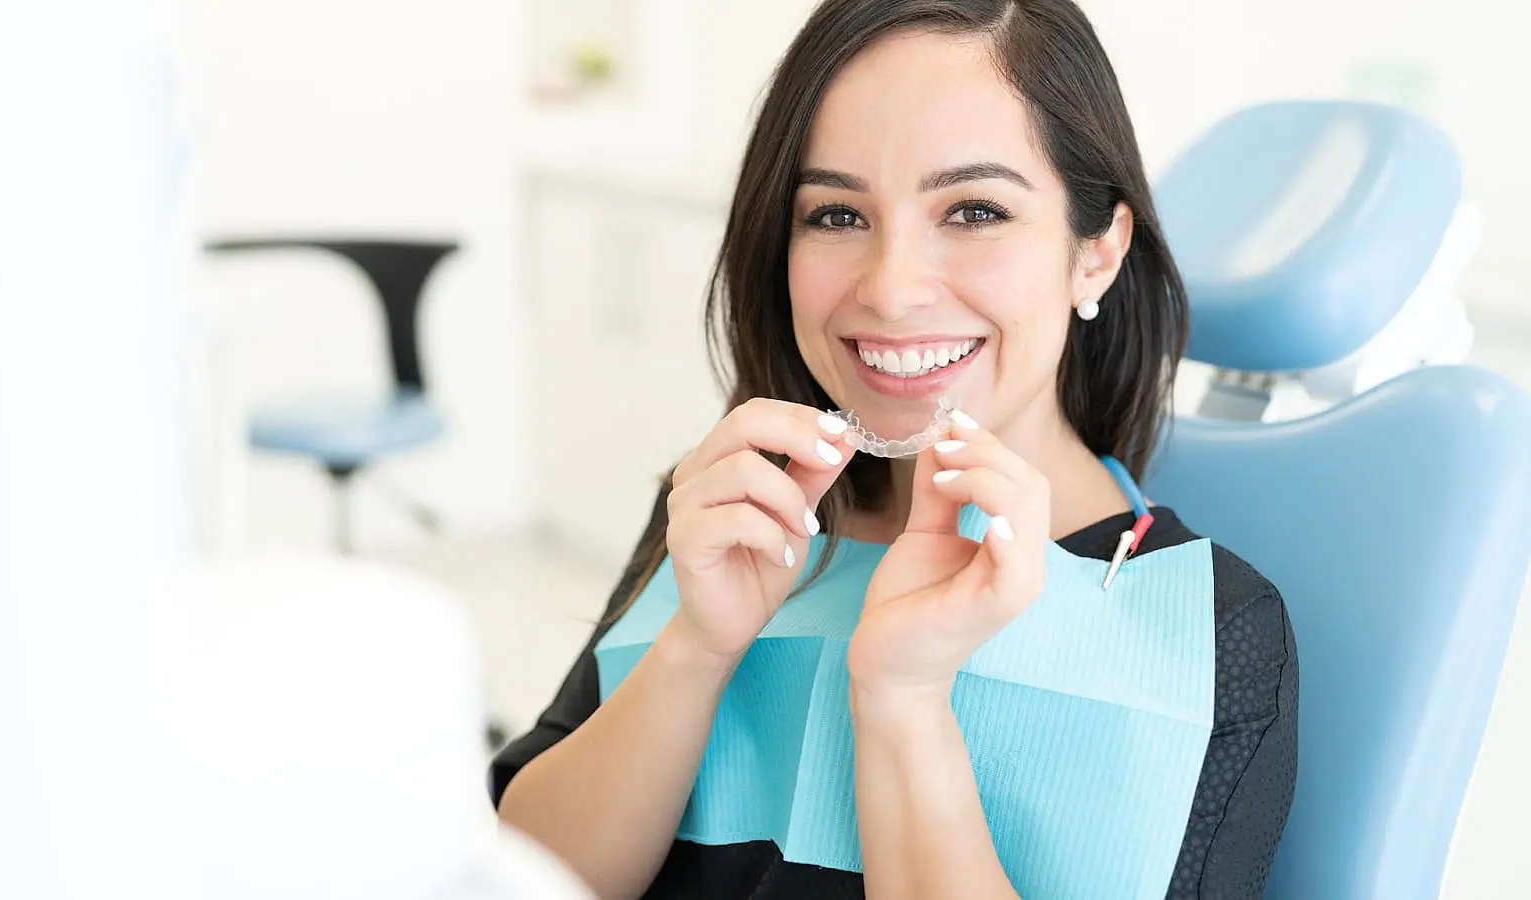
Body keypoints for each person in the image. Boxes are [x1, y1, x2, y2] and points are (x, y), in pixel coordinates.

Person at [491, 1, 1298, 897]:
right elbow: (512, 876)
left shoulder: (1209, 628)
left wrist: (904, 701)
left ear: (1097, 252)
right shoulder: (734, 509)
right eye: (836, 216)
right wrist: (696, 648)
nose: (892, 290)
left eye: (975, 210)